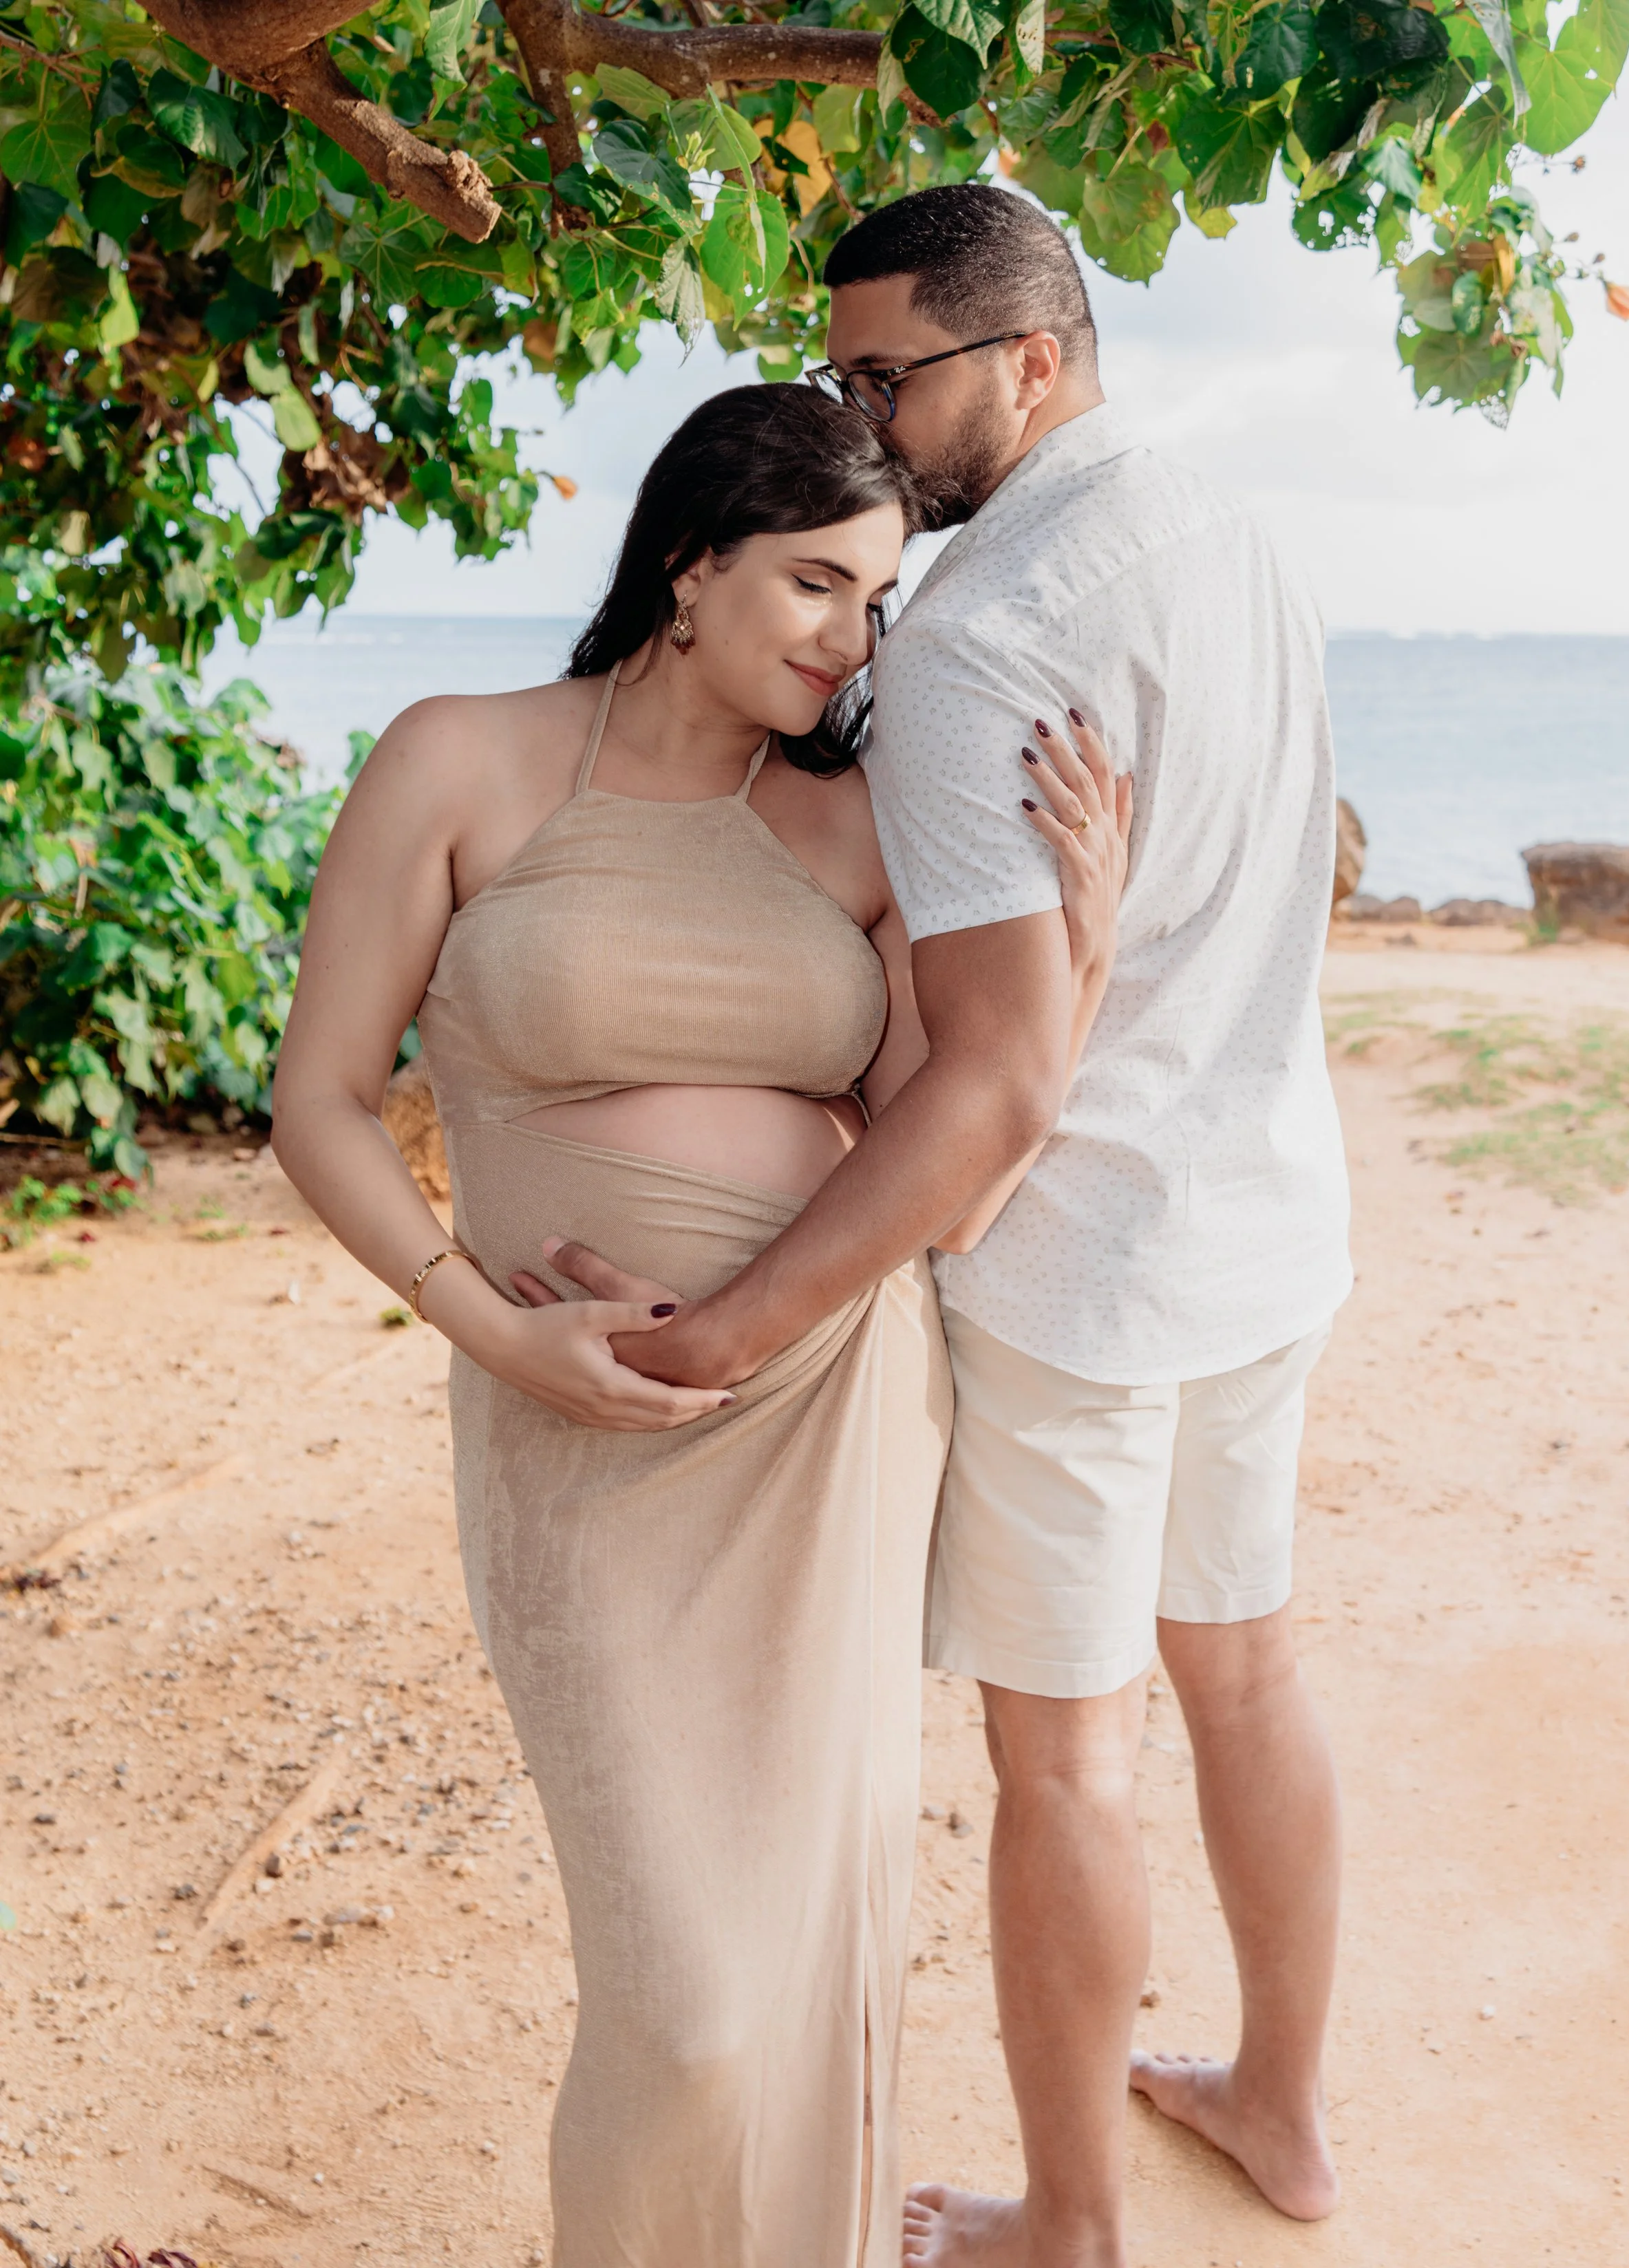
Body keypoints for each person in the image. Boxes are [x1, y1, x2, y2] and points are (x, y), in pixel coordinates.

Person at [268, 382, 1130, 2268]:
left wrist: (1082, 939)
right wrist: (485, 1332)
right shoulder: (460, 761)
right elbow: (320, 1099)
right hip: (575, 1426)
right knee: (686, 2000)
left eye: (881, 601)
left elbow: (959, 1166)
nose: (852, 637)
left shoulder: (858, 828)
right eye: (816, 583)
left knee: (799, 1950)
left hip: (824, 1412)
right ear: (687, 560)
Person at [575, 186, 1353, 2266]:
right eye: (843, 371)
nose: (862, 415)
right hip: (1266, 1214)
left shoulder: (987, 630)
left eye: (887, 373)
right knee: (1249, 1675)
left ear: (1030, 358)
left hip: (1081, 1270)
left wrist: (734, 1326)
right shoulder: (1230, 526)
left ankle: (1070, 2227)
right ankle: (1278, 2104)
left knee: (1064, 1766)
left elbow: (997, 1075)